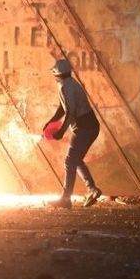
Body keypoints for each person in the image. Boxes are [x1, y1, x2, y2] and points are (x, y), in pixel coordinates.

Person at [44, 58, 102, 209]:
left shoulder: (65, 86)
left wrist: (61, 131)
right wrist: (51, 122)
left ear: (57, 74)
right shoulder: (69, 83)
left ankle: (65, 198)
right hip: (88, 127)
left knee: (70, 161)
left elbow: (70, 112)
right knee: (75, 160)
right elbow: (62, 108)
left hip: (85, 128)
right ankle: (92, 189)